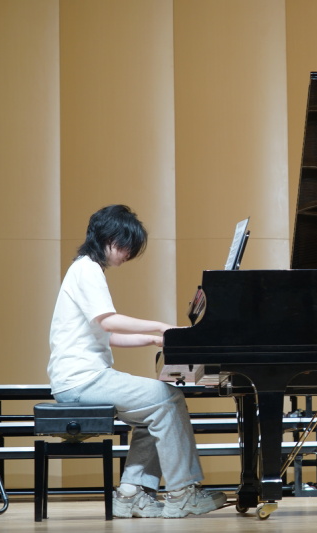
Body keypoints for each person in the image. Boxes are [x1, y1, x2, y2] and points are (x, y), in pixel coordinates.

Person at [47, 204, 226, 518]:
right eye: (126, 246)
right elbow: (109, 321)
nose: (128, 254)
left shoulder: (84, 269)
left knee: (152, 413)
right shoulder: (87, 270)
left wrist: (155, 339)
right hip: (82, 381)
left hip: (79, 379)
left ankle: (131, 494)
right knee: (168, 398)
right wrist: (160, 326)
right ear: (109, 238)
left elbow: (108, 336)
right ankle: (183, 494)